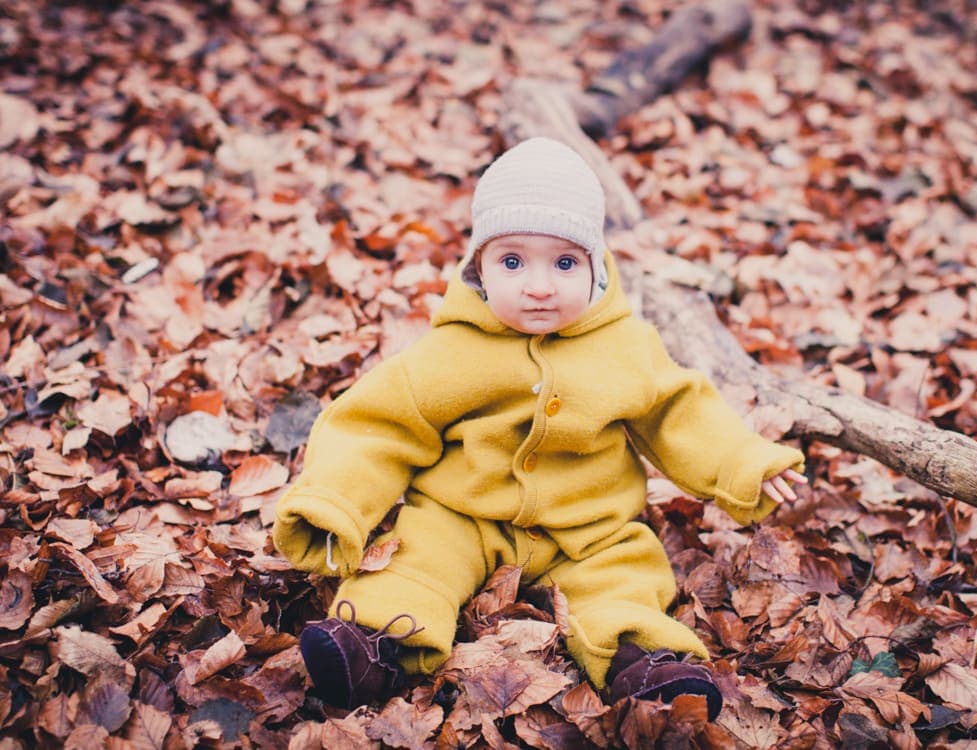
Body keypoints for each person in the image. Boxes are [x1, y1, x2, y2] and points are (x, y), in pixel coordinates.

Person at [272, 137, 807, 718]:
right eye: (512, 262)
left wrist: (742, 462)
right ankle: (375, 646)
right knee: (418, 559)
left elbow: (680, 411)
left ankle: (642, 662)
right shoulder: (449, 351)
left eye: (565, 262)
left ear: (596, 266)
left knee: (622, 578)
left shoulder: (624, 347)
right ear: (478, 265)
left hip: (590, 527)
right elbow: (374, 426)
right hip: (466, 516)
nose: (539, 285)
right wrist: (335, 500)